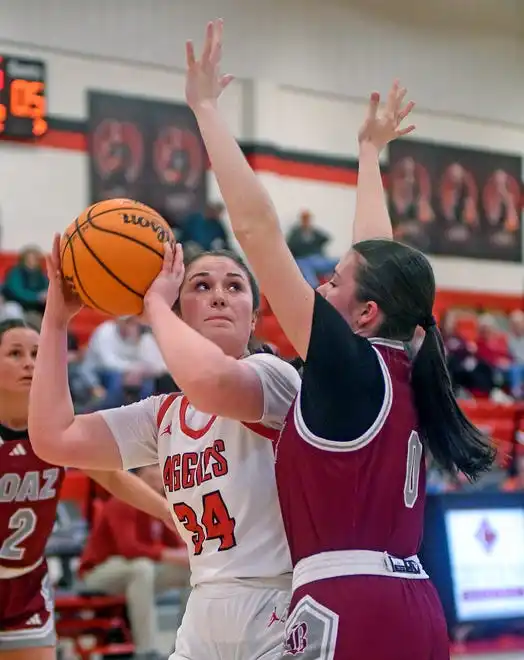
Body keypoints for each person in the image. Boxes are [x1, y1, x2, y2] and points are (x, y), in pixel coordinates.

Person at [182, 20, 495, 659]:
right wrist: (368, 157)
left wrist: (207, 110)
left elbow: (259, 230)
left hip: (345, 605)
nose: (319, 289)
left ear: (365, 312)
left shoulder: (349, 367)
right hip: (414, 602)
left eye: (331, 281)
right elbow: (376, 259)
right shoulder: (400, 359)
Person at [28, 238, 301, 658]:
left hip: (277, 600)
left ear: (252, 321)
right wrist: (56, 321)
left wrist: (153, 307)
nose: (218, 298)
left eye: (234, 287)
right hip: (203, 602)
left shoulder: (273, 377)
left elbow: (213, 384)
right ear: (180, 313)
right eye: (201, 286)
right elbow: (53, 438)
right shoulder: (165, 415)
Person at [0, 319, 182, 660]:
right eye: (15, 353)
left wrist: (166, 511)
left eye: (37, 354)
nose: (29, 362)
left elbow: (112, 477)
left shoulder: (54, 429)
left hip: (27, 585)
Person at [78, 465, 190, 660]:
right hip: (98, 573)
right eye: (154, 467)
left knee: (190, 573)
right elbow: (129, 548)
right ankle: (146, 651)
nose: (159, 473)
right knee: (141, 568)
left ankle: (184, 647)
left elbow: (173, 543)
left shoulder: (161, 503)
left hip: (138, 573)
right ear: (140, 475)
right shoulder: (123, 500)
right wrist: (173, 555)